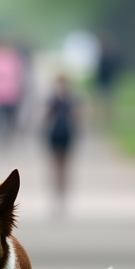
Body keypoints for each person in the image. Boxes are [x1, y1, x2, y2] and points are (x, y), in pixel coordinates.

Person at [45, 74, 78, 213]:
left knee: (64, 165)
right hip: (55, 135)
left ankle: (62, 192)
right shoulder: (54, 100)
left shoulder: (71, 100)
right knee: (57, 165)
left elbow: (78, 116)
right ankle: (57, 192)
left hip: (66, 134)